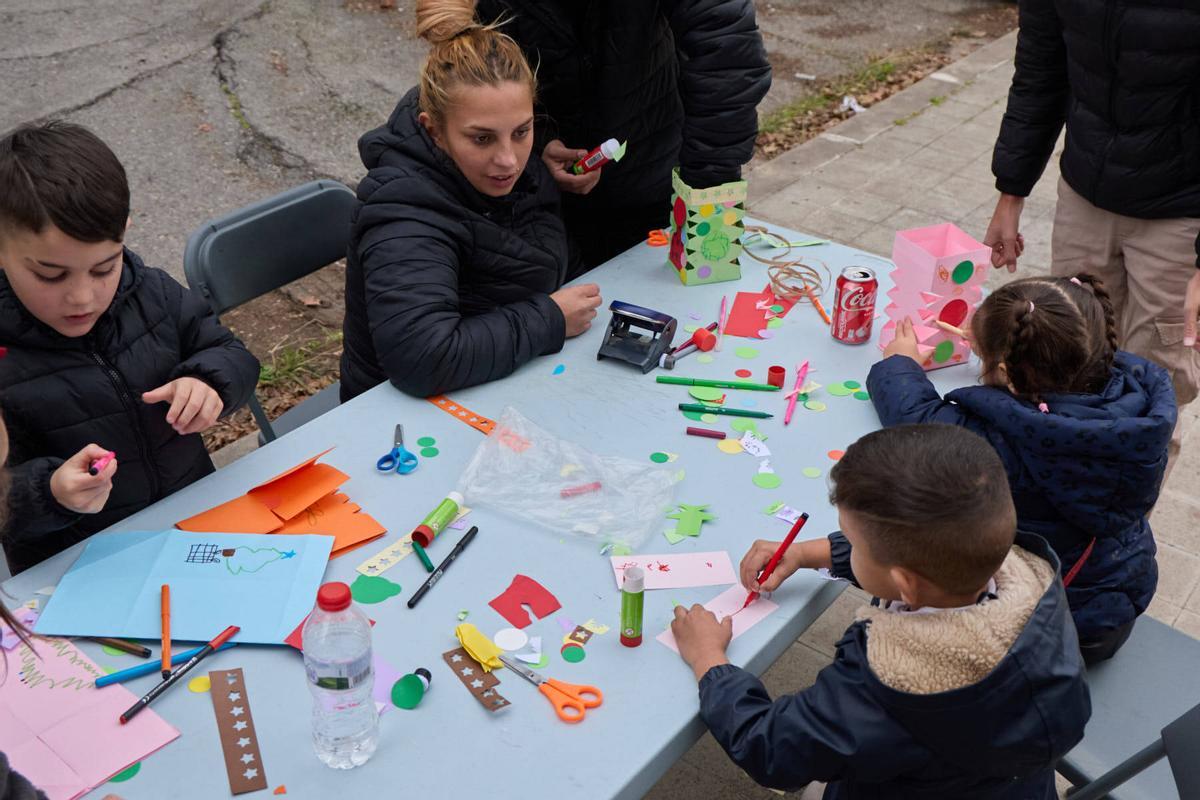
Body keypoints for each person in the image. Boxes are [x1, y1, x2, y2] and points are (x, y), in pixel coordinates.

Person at [671, 424, 1090, 799]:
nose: (845, 543)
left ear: (904, 583)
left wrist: (710, 660)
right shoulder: (1025, 587)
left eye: (852, 540)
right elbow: (911, 559)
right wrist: (808, 553)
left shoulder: (894, 689)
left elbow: (773, 749)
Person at [869, 274, 1176, 663]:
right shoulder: (1134, 411)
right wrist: (994, 344)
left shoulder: (1003, 446)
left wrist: (899, 365)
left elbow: (919, 422)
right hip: (1111, 608)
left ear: (1009, 374)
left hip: (1050, 631)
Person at [0, 122, 259, 574]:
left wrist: (209, 381)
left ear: (125, 232)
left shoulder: (151, 293)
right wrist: (51, 492)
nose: (82, 297)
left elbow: (231, 353)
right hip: (77, 568)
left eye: (104, 268)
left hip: (192, 524)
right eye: (50, 275)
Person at [340, 0, 601, 401]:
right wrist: (549, 319)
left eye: (521, 131)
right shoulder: (402, 211)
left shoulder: (525, 165)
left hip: (511, 382)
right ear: (434, 132)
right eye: (481, 139)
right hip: (406, 424)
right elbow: (422, 357)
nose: (508, 160)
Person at [984, 0, 1200, 441]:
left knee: (1152, 389)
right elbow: (1040, 74)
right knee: (1059, 358)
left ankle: (1123, 510)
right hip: (1085, 191)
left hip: (1180, 214)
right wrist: (1011, 192)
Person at [474, 0, 772, 270]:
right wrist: (537, 140)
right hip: (542, 204)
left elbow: (728, 58)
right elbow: (475, 73)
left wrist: (707, 198)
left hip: (655, 180)